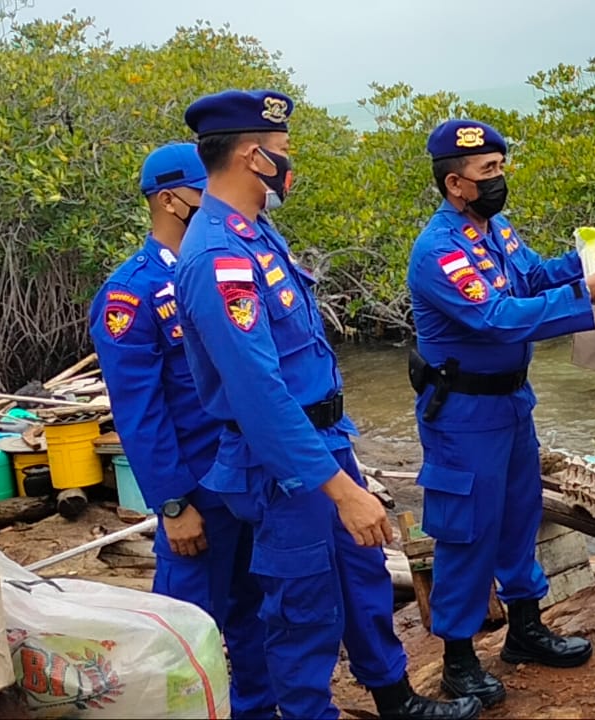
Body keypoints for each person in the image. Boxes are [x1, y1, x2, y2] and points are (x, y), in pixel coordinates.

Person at [173, 89, 480, 720]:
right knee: (303, 609)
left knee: (363, 579)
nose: (290, 166)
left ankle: (395, 698)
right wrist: (341, 491)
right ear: (254, 157)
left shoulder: (256, 232)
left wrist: (342, 469)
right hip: (284, 467)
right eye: (283, 154)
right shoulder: (218, 257)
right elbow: (259, 398)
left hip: (324, 441)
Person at [405, 119, 595, 708]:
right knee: (466, 530)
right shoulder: (440, 251)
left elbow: (531, 276)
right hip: (463, 413)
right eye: (489, 171)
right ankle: (458, 659)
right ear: (456, 184)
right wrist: (587, 296)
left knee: (518, 516)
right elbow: (498, 316)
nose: (500, 177)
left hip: (510, 403)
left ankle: (527, 629)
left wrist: (589, 261)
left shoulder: (494, 229)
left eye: (501, 166)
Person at [88, 143, 276, 719]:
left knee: (255, 611)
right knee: (183, 628)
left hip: (245, 478)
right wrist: (172, 504)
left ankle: (255, 709)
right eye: (207, 190)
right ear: (171, 200)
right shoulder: (131, 294)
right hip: (196, 491)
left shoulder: (227, 265)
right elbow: (140, 414)